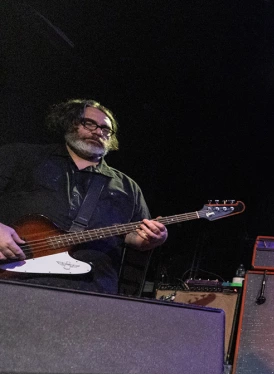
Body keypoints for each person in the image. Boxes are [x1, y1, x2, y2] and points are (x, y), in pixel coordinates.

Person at [0, 98, 167, 294]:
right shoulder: (21, 157)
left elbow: (134, 236)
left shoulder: (128, 187)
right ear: (70, 123)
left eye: (106, 130)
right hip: (13, 283)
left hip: (92, 292)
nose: (98, 132)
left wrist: (150, 240)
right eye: (89, 124)